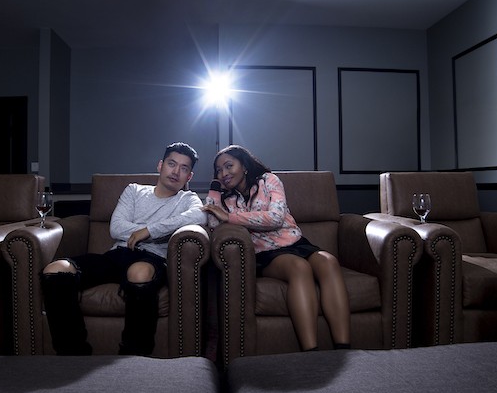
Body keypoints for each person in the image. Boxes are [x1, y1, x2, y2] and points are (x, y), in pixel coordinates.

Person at [40, 142, 206, 356]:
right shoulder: (134, 191)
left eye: (184, 168)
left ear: (189, 177)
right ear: (160, 165)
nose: (176, 172)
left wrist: (149, 231)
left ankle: (133, 356)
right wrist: (159, 228)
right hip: (117, 255)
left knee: (139, 272)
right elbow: (117, 228)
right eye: (171, 164)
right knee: (55, 270)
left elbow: (199, 215)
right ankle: (73, 354)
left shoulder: (187, 199)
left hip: (153, 259)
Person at [202, 145, 351, 352]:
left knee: (329, 261)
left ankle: (343, 346)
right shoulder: (225, 199)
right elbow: (213, 225)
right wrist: (214, 190)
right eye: (219, 170)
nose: (224, 173)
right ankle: (311, 351)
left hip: (295, 242)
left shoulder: (269, 181)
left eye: (229, 166)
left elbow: (276, 217)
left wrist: (230, 217)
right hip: (265, 254)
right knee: (299, 268)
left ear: (244, 165)